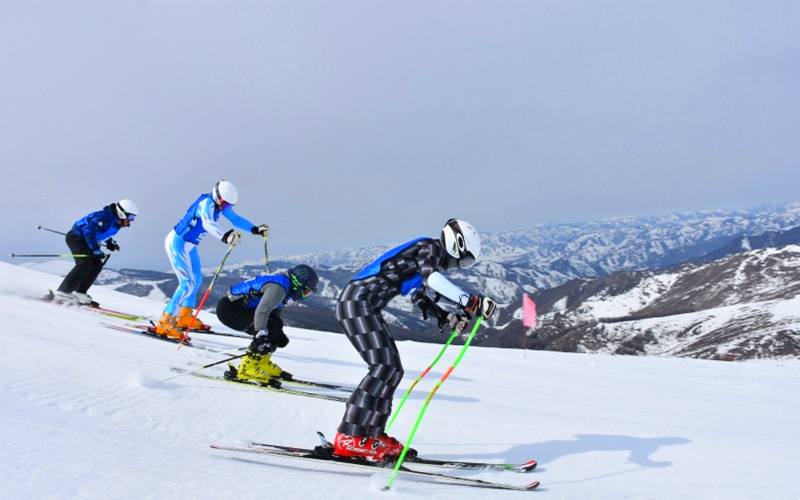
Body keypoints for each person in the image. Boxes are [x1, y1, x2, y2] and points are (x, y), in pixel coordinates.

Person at [330, 219, 497, 461]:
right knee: (383, 367)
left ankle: (373, 435)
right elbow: (433, 280)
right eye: (465, 260)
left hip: (364, 306)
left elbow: (420, 297)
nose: (461, 266)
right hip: (355, 304)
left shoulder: (427, 258)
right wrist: (472, 302)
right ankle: (349, 436)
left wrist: (447, 317)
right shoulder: (430, 247)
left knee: (393, 370)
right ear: (456, 245)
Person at [154, 180, 269, 339]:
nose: (224, 208)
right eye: (224, 204)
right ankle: (165, 320)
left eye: (228, 206)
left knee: (197, 278)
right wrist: (225, 237)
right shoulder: (206, 203)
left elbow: (235, 220)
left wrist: (254, 229)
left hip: (190, 245)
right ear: (217, 195)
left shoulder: (218, 205)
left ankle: (185, 316)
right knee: (187, 283)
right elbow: (208, 222)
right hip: (177, 244)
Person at [217, 264, 319, 386]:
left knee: (275, 325)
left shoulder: (284, 288)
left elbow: (274, 314)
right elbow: (262, 311)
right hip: (229, 310)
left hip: (237, 308)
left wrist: (277, 335)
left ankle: (262, 363)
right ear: (298, 284)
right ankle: (247, 367)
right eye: (306, 291)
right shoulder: (279, 288)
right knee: (269, 327)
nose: (306, 295)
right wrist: (260, 333)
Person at [54, 200, 139, 306]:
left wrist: (110, 242)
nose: (131, 221)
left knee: (96, 265)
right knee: (83, 263)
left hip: (88, 241)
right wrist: (95, 249)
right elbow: (88, 231)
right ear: (122, 213)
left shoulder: (116, 222)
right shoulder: (103, 217)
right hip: (77, 238)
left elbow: (104, 232)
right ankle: (63, 292)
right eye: (130, 217)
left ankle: (79, 291)